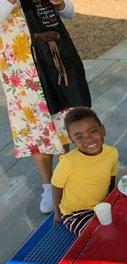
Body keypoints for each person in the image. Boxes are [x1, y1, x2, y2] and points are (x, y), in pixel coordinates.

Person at [0, 0, 91, 213]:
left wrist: (60, 4)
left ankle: (67, 178)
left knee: (62, 119)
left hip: (55, 55)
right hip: (21, 67)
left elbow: (69, 12)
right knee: (36, 127)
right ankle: (49, 187)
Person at [51, 107, 117, 235]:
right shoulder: (68, 162)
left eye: (92, 131)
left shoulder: (112, 153)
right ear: (72, 140)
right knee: (96, 235)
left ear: (102, 129)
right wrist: (58, 212)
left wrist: (111, 199)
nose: (88, 139)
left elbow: (111, 177)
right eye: (79, 137)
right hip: (75, 213)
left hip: (102, 205)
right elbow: (56, 186)